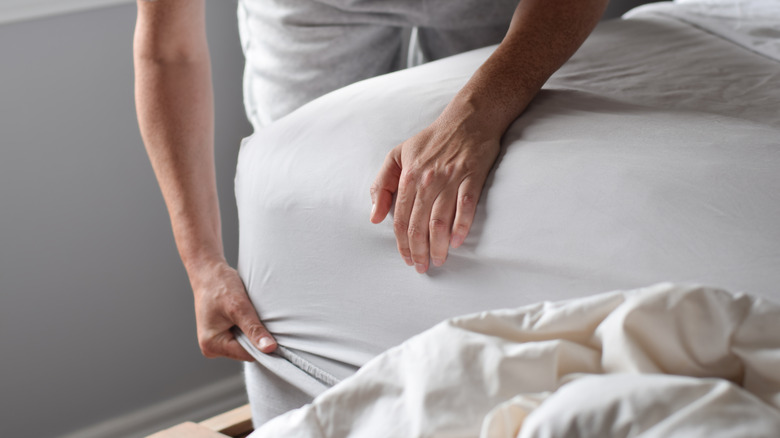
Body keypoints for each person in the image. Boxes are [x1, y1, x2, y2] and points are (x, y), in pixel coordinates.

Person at [134, 0, 606, 408]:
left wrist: (478, 116)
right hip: (314, 11)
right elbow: (168, 51)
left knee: (477, 212)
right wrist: (202, 263)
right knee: (306, 218)